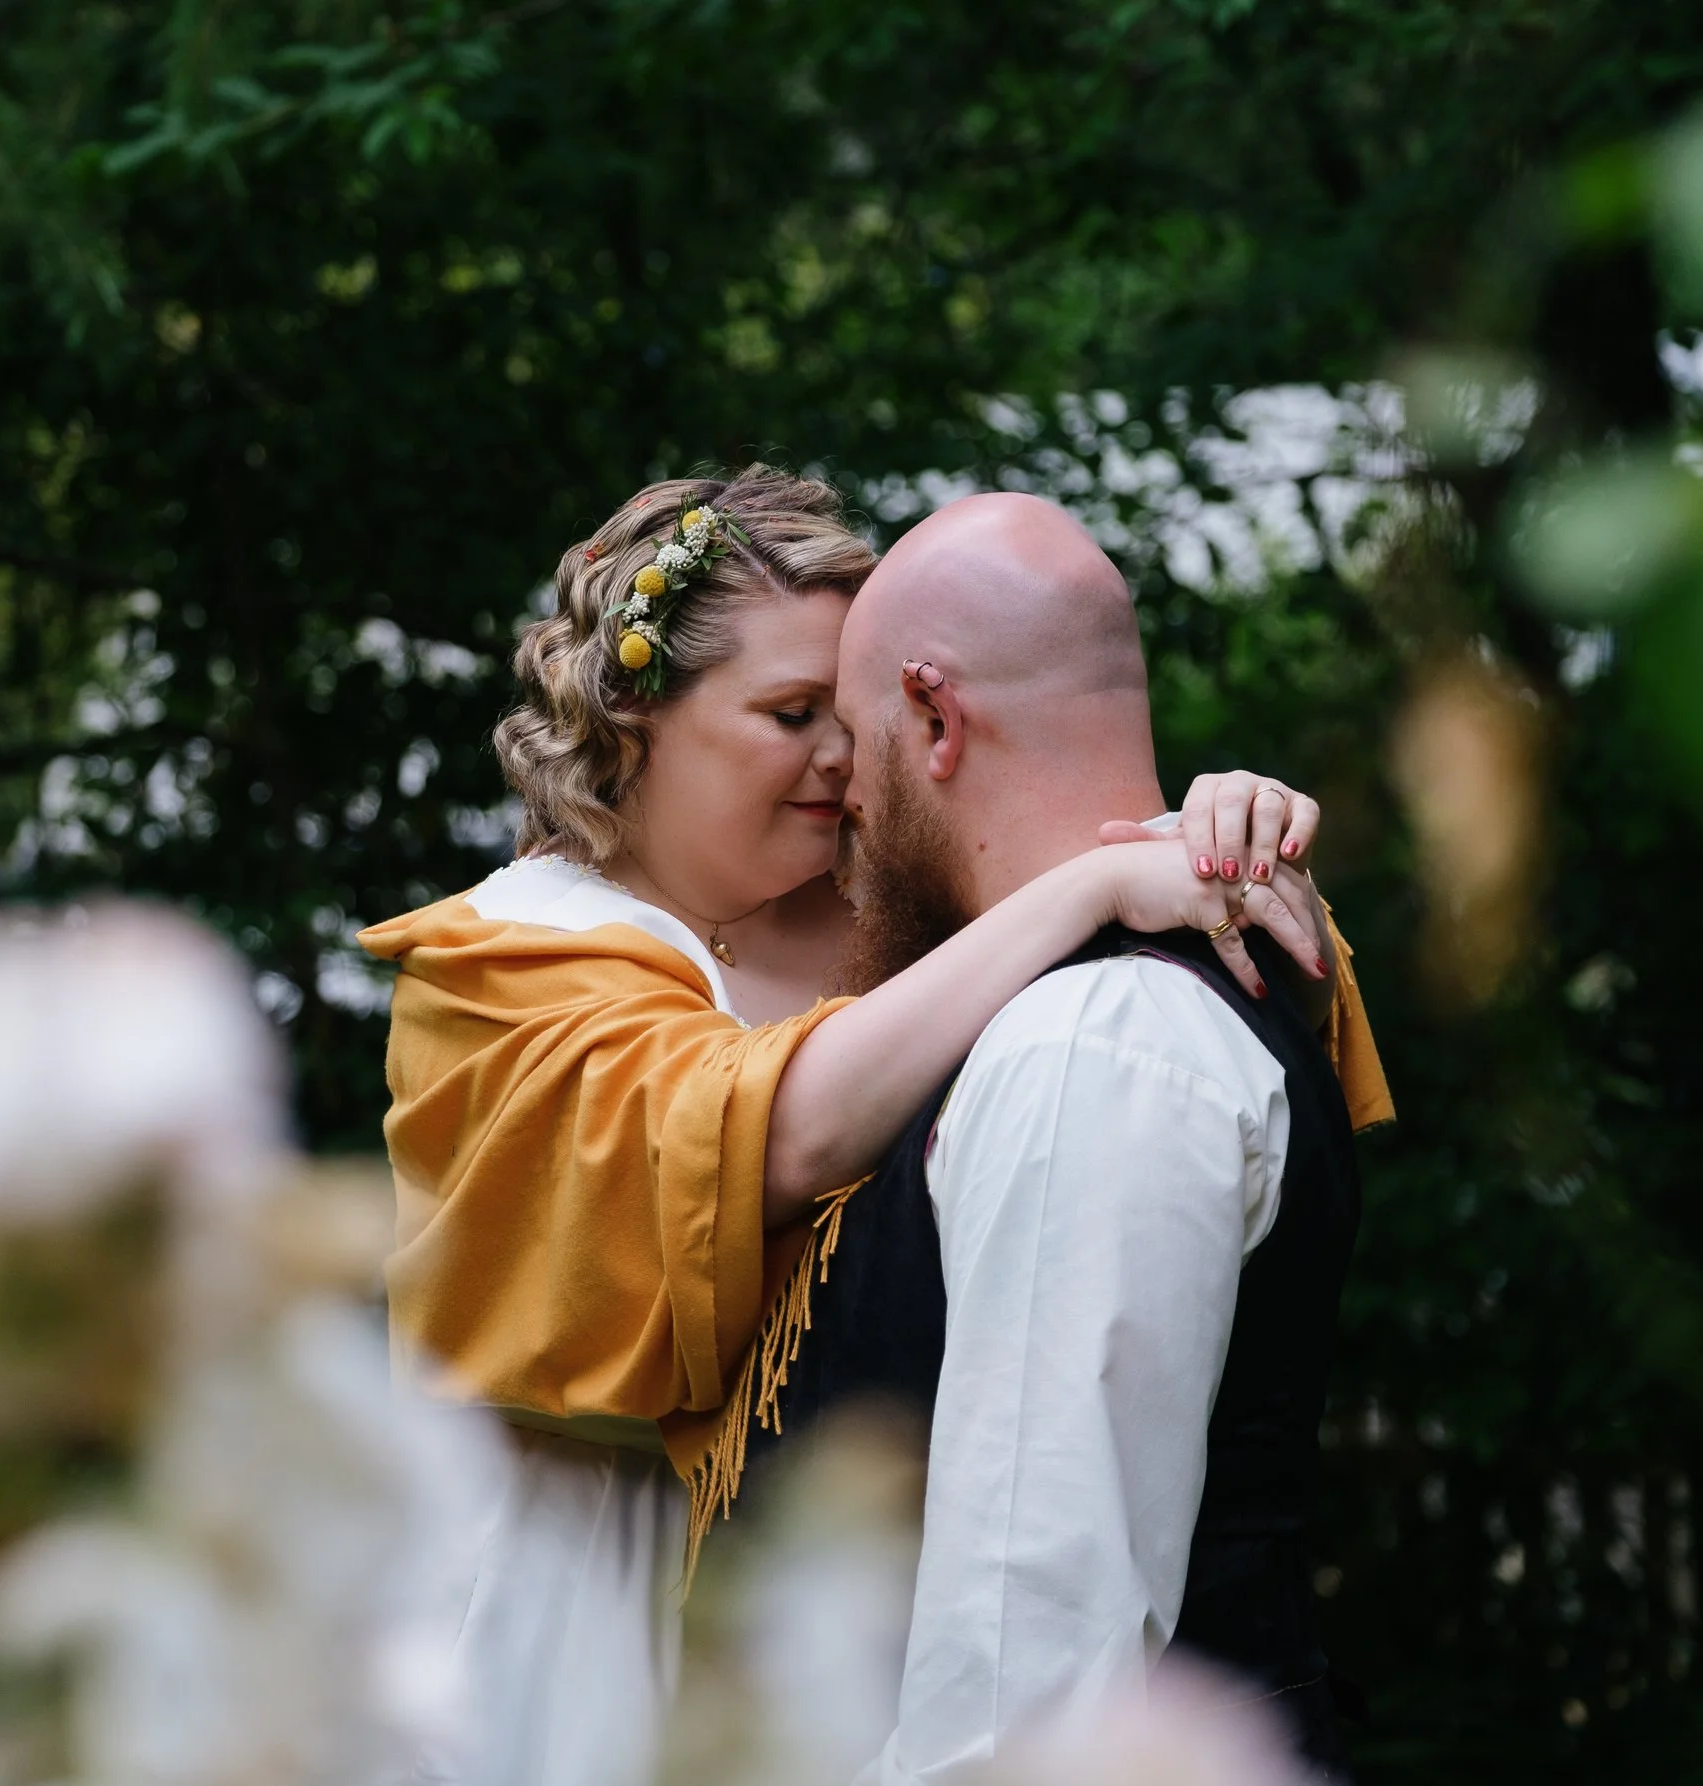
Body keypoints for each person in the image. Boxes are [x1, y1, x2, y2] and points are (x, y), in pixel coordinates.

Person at [358, 467, 1390, 1786]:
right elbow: (755, 1137)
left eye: (851, 713)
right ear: (632, 713)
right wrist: (1096, 877)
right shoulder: (504, 964)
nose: (844, 759)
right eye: (796, 713)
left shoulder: (882, 928)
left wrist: (1214, 845)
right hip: (568, 1651)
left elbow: (1114, 957)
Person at [776, 490, 1382, 1778]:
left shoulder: (1091, 1047)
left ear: (934, 717)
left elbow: (1025, 1665)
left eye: (853, 741)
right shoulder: (1172, 989)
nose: (844, 803)